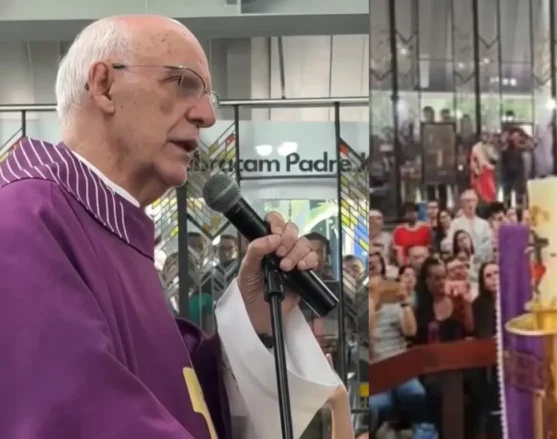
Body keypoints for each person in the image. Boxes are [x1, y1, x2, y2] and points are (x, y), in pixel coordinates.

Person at [0, 15, 352, 439]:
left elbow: (178, 394)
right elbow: (78, 416)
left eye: (208, 96)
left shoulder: (105, 221)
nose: (207, 116)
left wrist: (255, 316)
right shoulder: (24, 218)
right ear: (104, 86)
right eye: (183, 83)